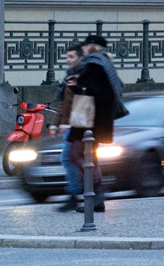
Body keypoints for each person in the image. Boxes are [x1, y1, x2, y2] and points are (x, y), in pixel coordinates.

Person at [63, 34, 127, 213]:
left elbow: (100, 93)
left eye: (86, 45)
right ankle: (96, 198)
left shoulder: (95, 64)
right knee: (88, 157)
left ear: (94, 47)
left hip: (90, 120)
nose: (82, 47)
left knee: (75, 156)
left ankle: (97, 192)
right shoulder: (101, 63)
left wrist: (78, 87)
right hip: (93, 119)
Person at [52, 46, 80, 211]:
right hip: (70, 126)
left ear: (79, 58)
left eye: (71, 56)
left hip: (79, 127)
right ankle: (81, 193)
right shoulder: (70, 76)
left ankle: (75, 194)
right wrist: (55, 124)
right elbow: (63, 104)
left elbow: (83, 102)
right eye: (67, 57)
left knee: (68, 158)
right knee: (72, 159)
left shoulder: (81, 77)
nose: (68, 60)